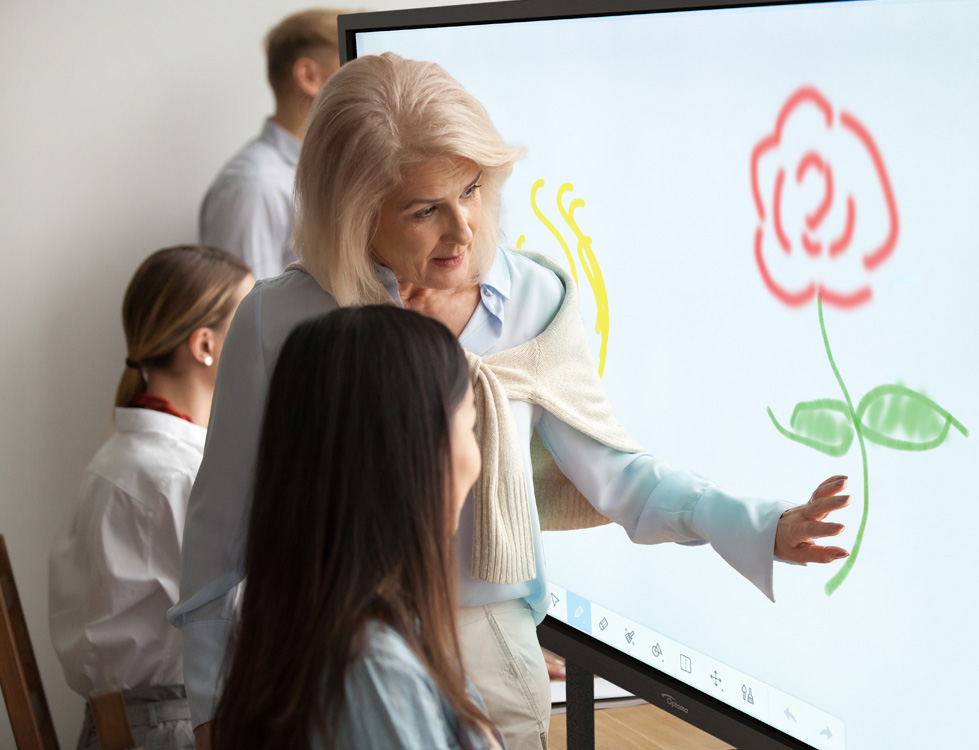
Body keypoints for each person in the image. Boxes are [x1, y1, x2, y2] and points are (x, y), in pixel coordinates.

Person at [172, 53, 851, 750]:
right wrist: (209, 712)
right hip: (327, 653)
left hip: (489, 649)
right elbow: (220, 528)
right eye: (425, 209)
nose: (463, 231)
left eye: (470, 190)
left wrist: (761, 524)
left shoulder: (534, 299)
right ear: (355, 212)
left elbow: (622, 480)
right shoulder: (279, 321)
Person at [212, 306, 499, 750]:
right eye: (471, 427)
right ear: (411, 455)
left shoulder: (317, 624)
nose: (477, 462)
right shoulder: (374, 671)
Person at [49, 245, 253, 750]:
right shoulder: (173, 474)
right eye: (250, 322)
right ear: (205, 345)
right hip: (171, 731)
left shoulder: (133, 457)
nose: (266, 337)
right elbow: (247, 619)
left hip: (148, 723)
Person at [199, 8, 343, 279]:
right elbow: (247, 316)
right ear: (309, 77)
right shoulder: (254, 187)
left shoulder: (332, 171)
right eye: (351, 63)